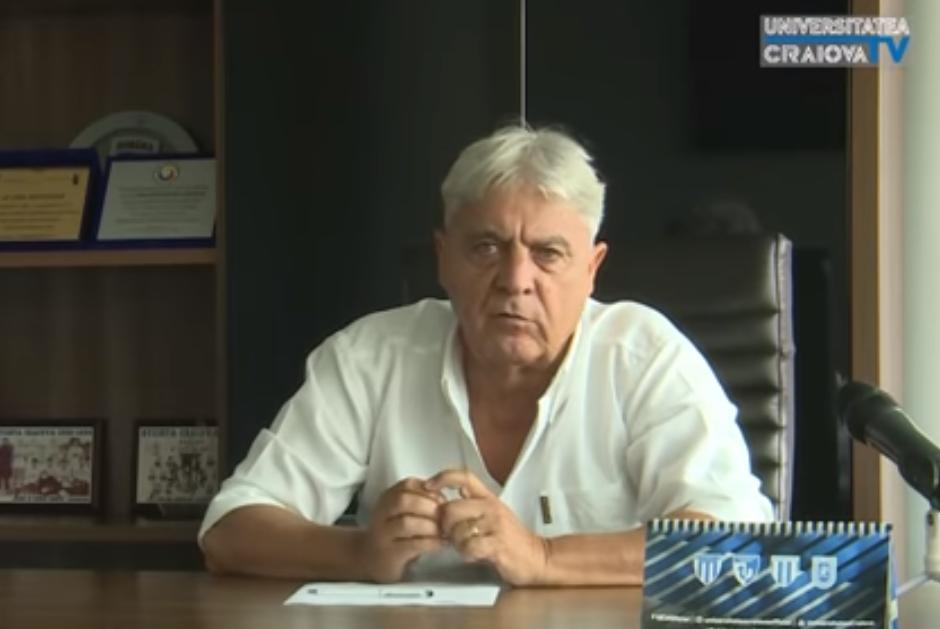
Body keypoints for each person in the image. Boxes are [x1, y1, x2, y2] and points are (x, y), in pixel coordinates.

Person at [199, 125, 773, 586]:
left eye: (548, 253)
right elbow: (230, 530)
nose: (515, 280)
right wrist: (359, 552)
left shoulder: (646, 356)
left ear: (592, 268)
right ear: (444, 258)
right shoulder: (370, 356)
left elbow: (736, 543)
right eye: (486, 247)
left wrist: (543, 557)